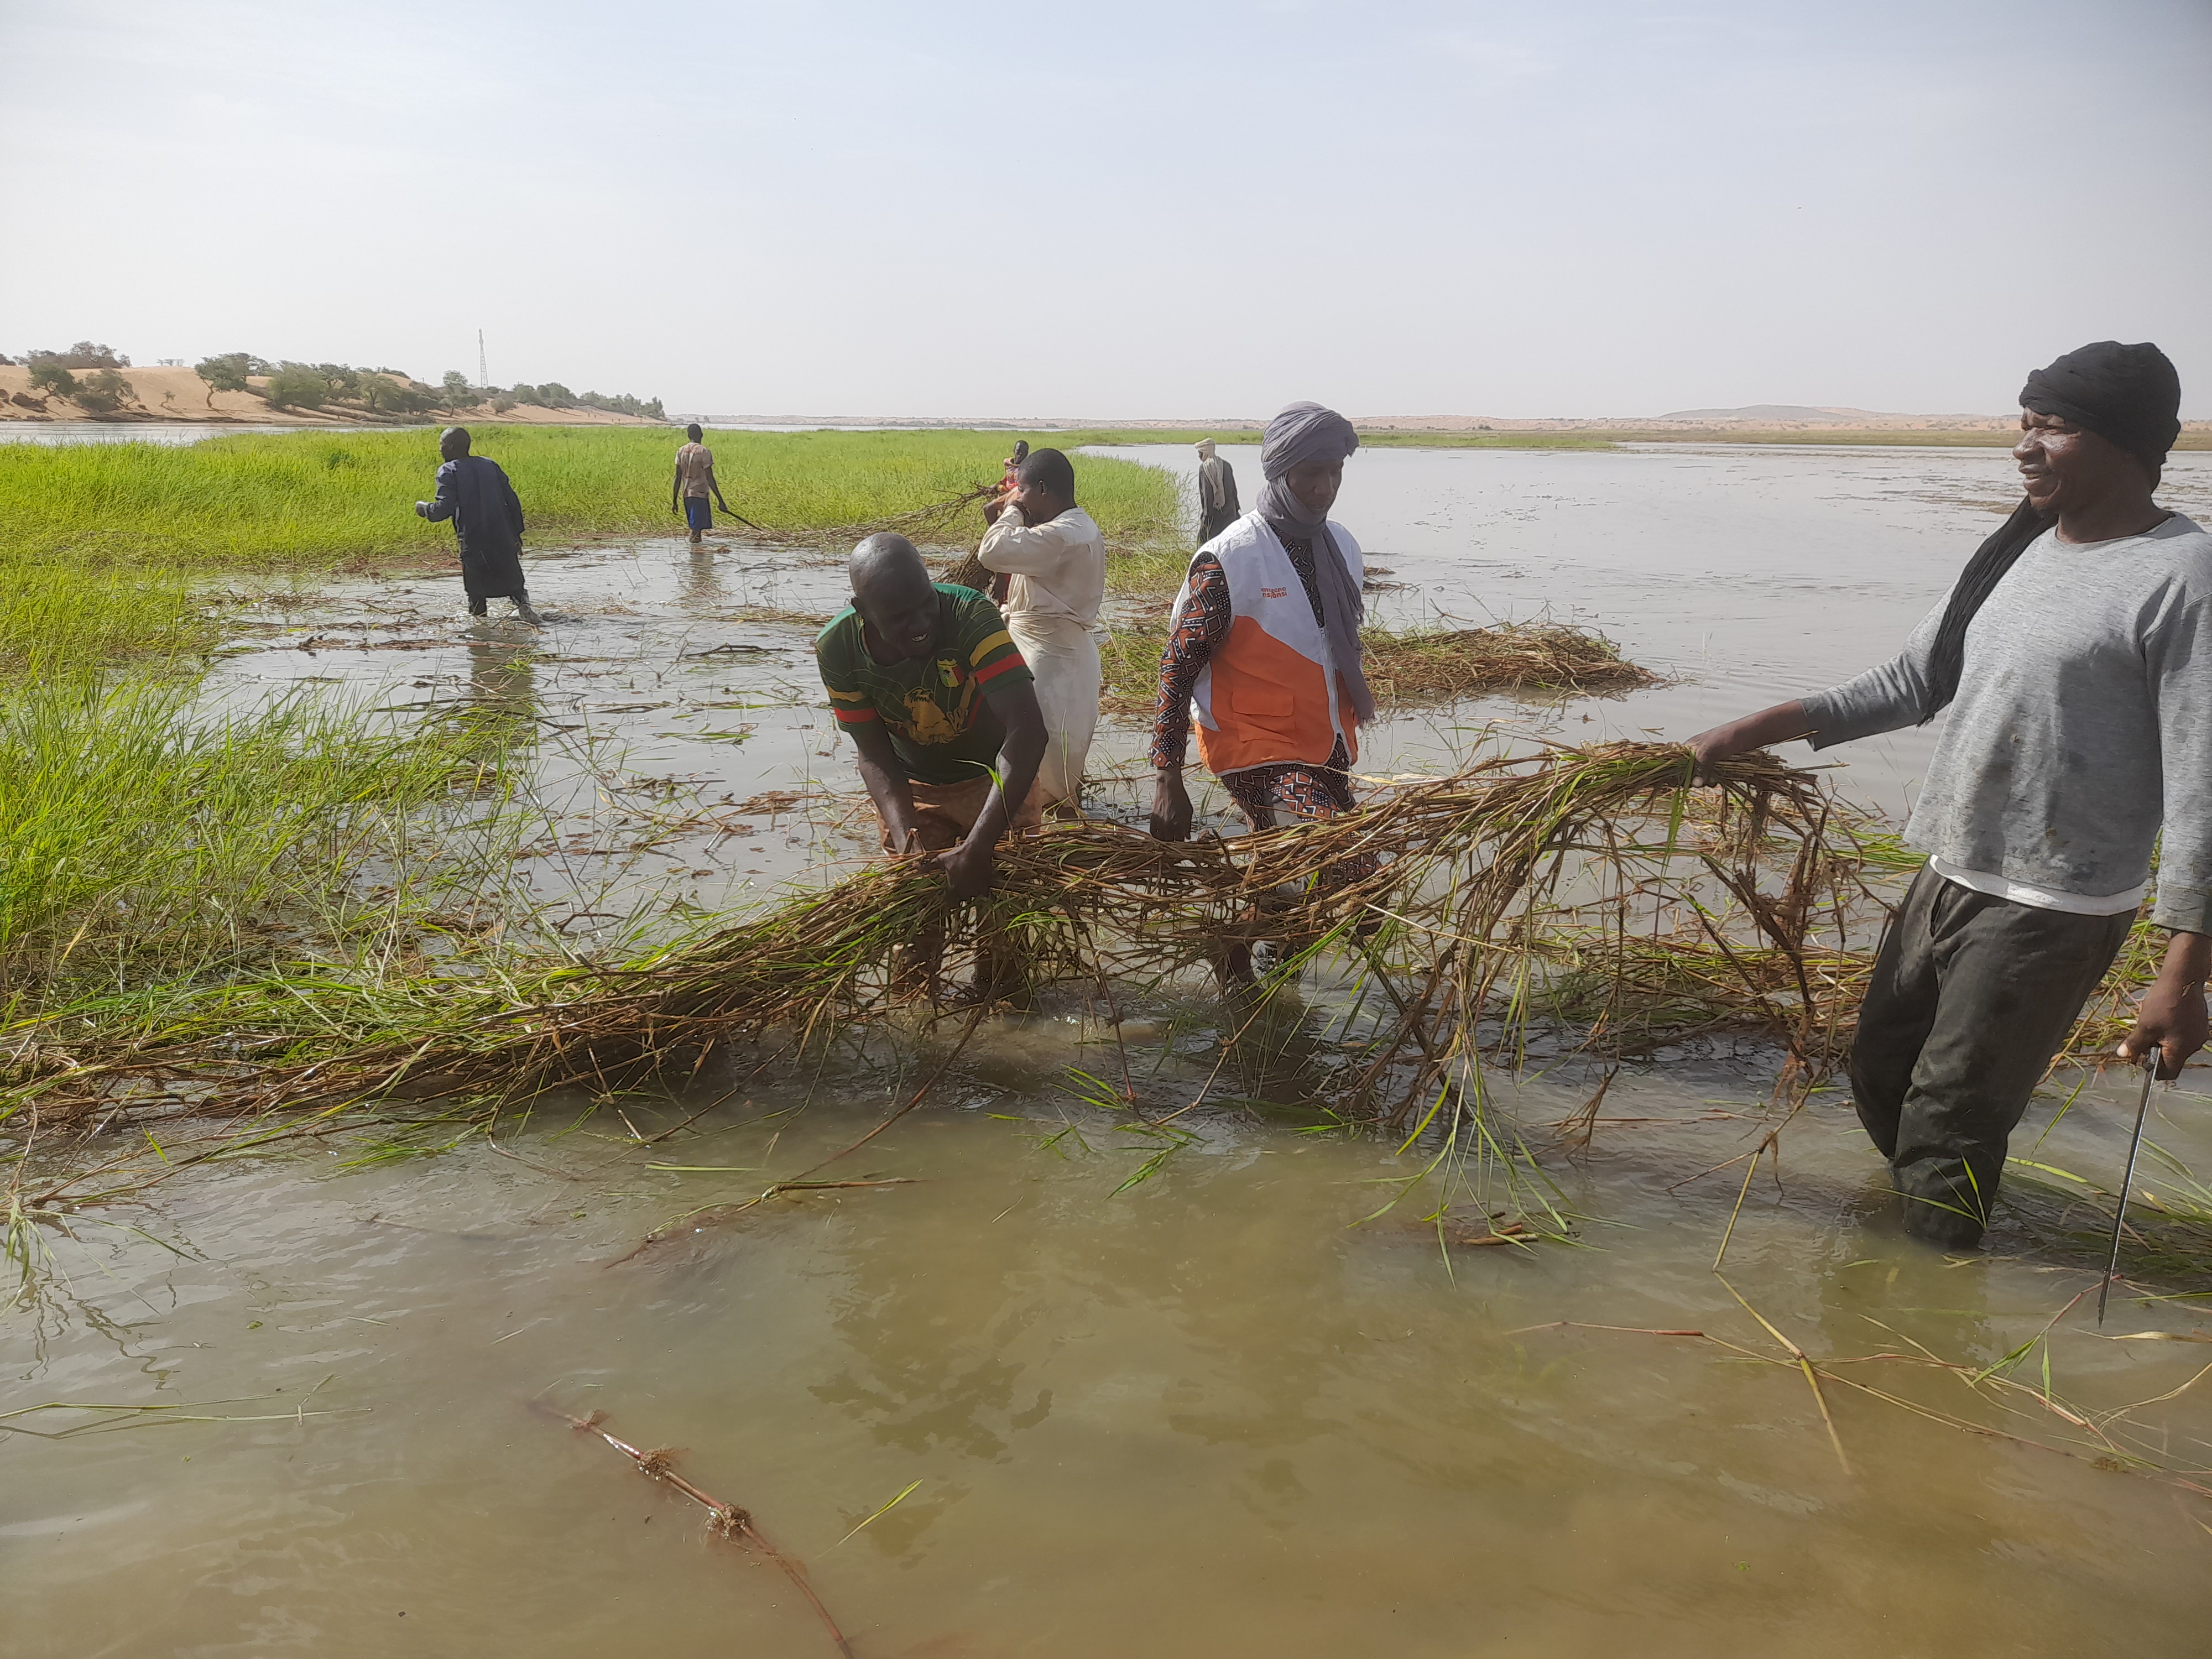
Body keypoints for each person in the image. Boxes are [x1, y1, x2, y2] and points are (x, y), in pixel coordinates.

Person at [1690, 340, 2209, 1249]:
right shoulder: (2018, 551)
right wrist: (1745, 733)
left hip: (2053, 903)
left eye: (2056, 426)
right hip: (1951, 872)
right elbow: (1909, 681)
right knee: (1881, 1074)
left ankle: (1930, 1303)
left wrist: (2183, 976)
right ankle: (1923, 1251)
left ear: (2126, 445)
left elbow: (2205, 782)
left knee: (1948, 1119)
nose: (2026, 443)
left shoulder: (2182, 579)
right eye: (2025, 421)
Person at [1149, 403, 1375, 975]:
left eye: (1335, 473)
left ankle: (1256, 965)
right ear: (1279, 473)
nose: (1324, 488)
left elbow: (1333, 648)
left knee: (1289, 872)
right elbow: (1177, 667)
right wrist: (1166, 777)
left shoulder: (1342, 546)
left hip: (1324, 742)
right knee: (1350, 857)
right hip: (1253, 744)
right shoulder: (1230, 559)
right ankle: (1252, 964)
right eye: (1310, 475)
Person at [816, 533, 1048, 901]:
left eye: (927, 603)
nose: (921, 623)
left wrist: (980, 844)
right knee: (914, 926)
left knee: (1006, 927)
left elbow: (1028, 732)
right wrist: (909, 844)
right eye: (900, 618)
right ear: (863, 611)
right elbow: (875, 756)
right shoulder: (838, 648)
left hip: (995, 782)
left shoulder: (971, 616)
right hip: (914, 788)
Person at [975, 447, 1106, 811]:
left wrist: (1012, 510)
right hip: (1050, 652)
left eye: (1025, 491)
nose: (1021, 501)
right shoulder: (1066, 530)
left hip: (1053, 661)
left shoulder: (1063, 536)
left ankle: (1043, 844)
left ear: (1044, 490)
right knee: (1043, 765)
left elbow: (991, 551)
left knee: (1044, 769)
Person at [415, 426, 541, 625]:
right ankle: (525, 610)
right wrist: (516, 534)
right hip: (503, 535)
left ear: (450, 445)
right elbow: (512, 501)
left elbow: (443, 509)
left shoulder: (448, 471)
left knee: (476, 591)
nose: (440, 450)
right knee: (514, 582)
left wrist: (424, 509)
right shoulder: (490, 465)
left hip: (473, 538)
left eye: (441, 445)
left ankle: (480, 636)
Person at [671, 422, 731, 545]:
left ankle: (696, 557)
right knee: (696, 532)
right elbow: (710, 478)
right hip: (700, 495)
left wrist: (675, 501)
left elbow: (677, 478)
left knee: (696, 529)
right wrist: (721, 500)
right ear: (702, 435)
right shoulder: (704, 452)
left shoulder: (681, 451)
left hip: (687, 495)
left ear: (688, 435)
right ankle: (696, 559)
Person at [1196, 437, 1241, 545]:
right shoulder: (1226, 465)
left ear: (1206, 452)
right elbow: (1234, 491)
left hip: (1213, 515)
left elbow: (1207, 495)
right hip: (1230, 513)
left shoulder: (1204, 468)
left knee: (1205, 545)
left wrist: (1206, 518)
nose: (1199, 456)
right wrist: (1237, 511)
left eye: (1200, 453)